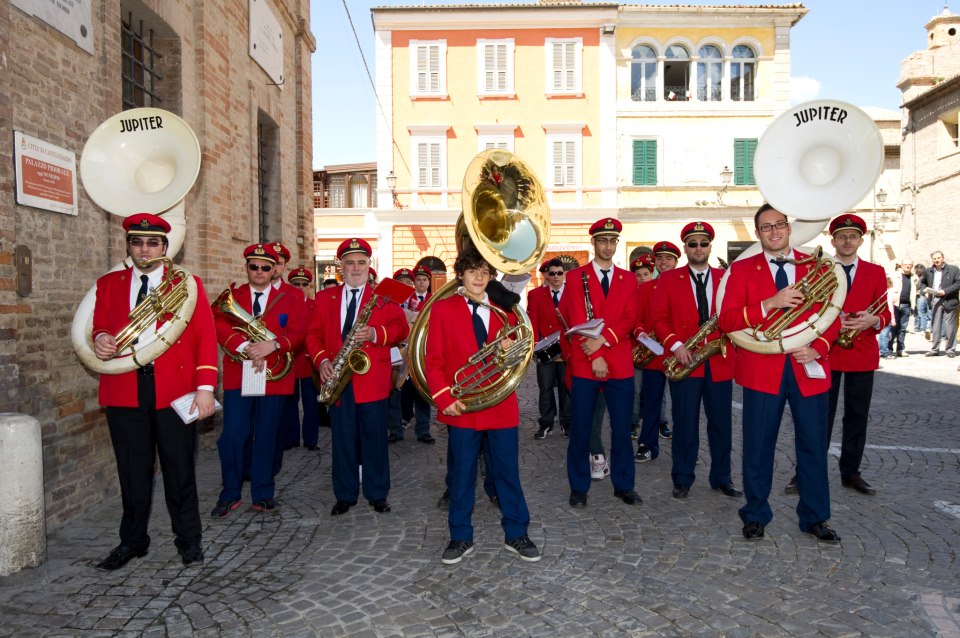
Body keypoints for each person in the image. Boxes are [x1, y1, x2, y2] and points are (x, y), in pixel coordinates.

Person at [92, 213, 217, 569]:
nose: (144, 249)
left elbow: (205, 337)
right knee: (132, 472)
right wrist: (100, 338)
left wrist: (205, 388)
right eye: (137, 242)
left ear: (165, 247)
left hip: (174, 390)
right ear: (128, 245)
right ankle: (133, 541)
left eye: (152, 243)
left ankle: (189, 540)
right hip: (125, 388)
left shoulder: (187, 284)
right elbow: (100, 326)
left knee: (180, 471)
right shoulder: (109, 284)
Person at [717, 203, 841, 543]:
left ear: (788, 228)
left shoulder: (816, 265)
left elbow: (833, 314)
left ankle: (815, 517)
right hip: (761, 370)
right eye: (766, 227)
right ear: (758, 234)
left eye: (780, 224)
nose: (774, 231)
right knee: (757, 447)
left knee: (814, 447)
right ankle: (755, 514)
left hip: (807, 366)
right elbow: (726, 321)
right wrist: (769, 304)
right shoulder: (742, 270)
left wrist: (820, 348)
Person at [425, 245, 540, 564]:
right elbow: (433, 360)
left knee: (507, 473)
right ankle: (460, 536)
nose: (479, 276)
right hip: (461, 406)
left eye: (485, 271)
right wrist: (443, 397)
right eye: (472, 270)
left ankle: (517, 532)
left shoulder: (506, 310)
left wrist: (509, 346)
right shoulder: (443, 309)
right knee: (461, 475)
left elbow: (521, 352)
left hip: (500, 404)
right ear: (460, 274)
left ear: (491, 276)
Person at [786, 215, 891, 496]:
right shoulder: (819, 270)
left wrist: (873, 320)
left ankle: (851, 472)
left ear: (860, 240)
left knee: (857, 416)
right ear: (832, 240)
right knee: (818, 416)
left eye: (853, 236)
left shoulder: (876, 272)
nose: (847, 241)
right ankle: (805, 472)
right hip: (825, 352)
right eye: (842, 236)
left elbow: (886, 313)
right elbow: (807, 309)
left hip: (862, 353)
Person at [307, 238, 408, 516]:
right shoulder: (324, 298)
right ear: (340, 267)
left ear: (368, 266)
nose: (356, 267)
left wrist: (377, 334)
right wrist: (322, 360)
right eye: (350, 262)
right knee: (342, 440)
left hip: (371, 379)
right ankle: (345, 494)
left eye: (361, 262)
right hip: (338, 378)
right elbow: (312, 335)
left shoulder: (383, 297)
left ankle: (377, 494)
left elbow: (401, 328)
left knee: (375, 439)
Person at [211, 243, 306, 518]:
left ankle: (263, 493)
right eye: (254, 266)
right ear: (247, 268)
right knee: (233, 435)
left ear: (274, 269)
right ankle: (230, 493)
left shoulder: (292, 298)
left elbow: (300, 332)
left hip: (275, 376)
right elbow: (218, 322)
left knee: (267, 435)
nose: (260, 271)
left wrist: (273, 345)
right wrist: (243, 346)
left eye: (266, 267)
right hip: (239, 373)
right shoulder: (234, 295)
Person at [652, 222, 741, 500]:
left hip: (718, 361)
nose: (698, 248)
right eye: (693, 244)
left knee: (721, 424)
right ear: (685, 248)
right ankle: (682, 477)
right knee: (685, 423)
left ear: (710, 247)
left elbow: (736, 314)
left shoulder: (726, 276)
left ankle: (722, 477)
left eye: (703, 243)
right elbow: (658, 319)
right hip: (685, 360)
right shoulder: (667, 279)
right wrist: (676, 346)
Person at [558, 218, 641, 509]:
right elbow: (575, 318)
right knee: (581, 427)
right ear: (593, 243)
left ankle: (624, 485)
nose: (608, 246)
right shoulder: (574, 277)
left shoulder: (628, 279)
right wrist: (595, 356)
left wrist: (604, 342)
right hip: (584, 361)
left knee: (622, 429)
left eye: (612, 241)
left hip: (618, 360)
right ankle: (579, 486)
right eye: (603, 240)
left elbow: (630, 317)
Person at [634, 240, 681, 462]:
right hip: (654, 355)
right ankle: (647, 444)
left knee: (683, 406)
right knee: (652, 402)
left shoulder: (686, 285)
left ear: (676, 261)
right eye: (660, 258)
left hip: (681, 354)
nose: (664, 262)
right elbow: (636, 319)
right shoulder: (644, 289)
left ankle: (685, 448)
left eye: (668, 258)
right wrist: (641, 332)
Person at [388, 267, 434, 444]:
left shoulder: (426, 300)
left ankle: (423, 430)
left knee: (422, 392)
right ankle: (395, 430)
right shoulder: (389, 302)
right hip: (396, 352)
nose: (406, 285)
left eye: (409, 282)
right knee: (395, 394)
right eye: (401, 282)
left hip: (418, 353)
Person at [527, 257, 571, 439]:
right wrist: (536, 346)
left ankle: (567, 423)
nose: (555, 277)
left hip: (567, 348)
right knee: (545, 388)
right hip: (545, 349)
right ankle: (546, 423)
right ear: (547, 275)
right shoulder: (536, 294)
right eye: (552, 273)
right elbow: (533, 321)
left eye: (559, 273)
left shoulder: (572, 293)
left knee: (566, 387)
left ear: (564, 274)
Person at [281, 266, 320, 451]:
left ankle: (311, 439)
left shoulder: (314, 305)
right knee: (290, 402)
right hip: (290, 360)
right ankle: (291, 438)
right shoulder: (284, 304)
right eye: (296, 284)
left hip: (309, 360)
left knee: (311, 402)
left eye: (304, 284)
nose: (300, 287)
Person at [629, 254, 655, 439]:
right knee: (636, 389)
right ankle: (633, 422)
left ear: (652, 274)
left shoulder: (659, 291)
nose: (643, 278)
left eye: (646, 274)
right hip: (636, 346)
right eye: (638, 275)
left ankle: (658, 422)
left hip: (656, 347)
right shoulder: (631, 293)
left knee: (655, 390)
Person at [920, 250, 960, 357]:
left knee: (950, 326)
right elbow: (922, 283)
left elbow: (958, 283)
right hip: (935, 300)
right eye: (934, 258)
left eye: (938, 258)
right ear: (932, 260)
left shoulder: (954, 269)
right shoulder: (928, 271)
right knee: (935, 326)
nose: (937, 260)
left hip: (950, 300)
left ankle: (950, 349)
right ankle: (934, 349)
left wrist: (945, 291)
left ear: (943, 258)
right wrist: (925, 292)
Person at [889, 257, 913, 357]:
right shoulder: (894, 275)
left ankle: (900, 349)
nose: (907, 266)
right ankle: (888, 349)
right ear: (902, 265)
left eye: (910, 265)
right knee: (892, 328)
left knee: (902, 329)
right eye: (906, 264)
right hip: (895, 304)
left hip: (906, 305)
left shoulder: (913, 277)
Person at [913, 263, 930, 336]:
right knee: (923, 313)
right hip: (923, 295)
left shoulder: (919, 277)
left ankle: (922, 328)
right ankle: (922, 327)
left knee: (921, 313)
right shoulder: (925, 276)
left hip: (921, 296)